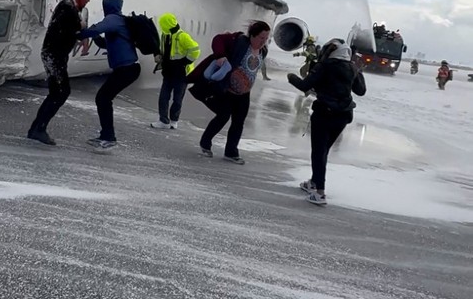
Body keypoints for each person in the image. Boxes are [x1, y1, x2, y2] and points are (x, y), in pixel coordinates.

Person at [287, 38, 366, 206]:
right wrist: (358, 70)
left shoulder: (324, 66)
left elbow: (304, 85)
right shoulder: (352, 67)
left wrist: (291, 77)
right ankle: (314, 182)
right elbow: (361, 91)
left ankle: (320, 192)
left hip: (324, 113)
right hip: (343, 116)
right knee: (323, 151)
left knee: (318, 151)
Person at [188, 20, 271, 164]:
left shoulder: (263, 51)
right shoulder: (240, 42)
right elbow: (218, 39)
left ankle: (231, 152)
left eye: (266, 38)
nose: (264, 41)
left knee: (238, 122)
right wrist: (220, 55)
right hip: (228, 90)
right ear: (252, 35)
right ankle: (205, 142)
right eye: (261, 38)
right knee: (223, 116)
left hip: (244, 93)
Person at [26, 0, 91, 145]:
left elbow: (74, 28)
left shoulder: (70, 7)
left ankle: (37, 128)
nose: (88, 1)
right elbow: (75, 28)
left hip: (55, 55)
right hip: (53, 55)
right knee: (60, 92)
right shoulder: (68, 8)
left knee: (59, 92)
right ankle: (38, 129)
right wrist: (85, 33)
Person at [78, 0, 141, 150]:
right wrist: (97, 38)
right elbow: (109, 45)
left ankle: (108, 137)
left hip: (127, 69)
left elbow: (96, 29)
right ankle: (107, 134)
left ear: (108, 6)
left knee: (103, 98)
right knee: (104, 98)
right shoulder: (121, 21)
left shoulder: (113, 19)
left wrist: (79, 34)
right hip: (129, 69)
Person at [150, 13, 201, 130]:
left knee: (177, 100)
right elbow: (165, 51)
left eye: (162, 24)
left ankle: (174, 120)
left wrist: (184, 62)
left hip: (182, 75)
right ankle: (163, 120)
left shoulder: (182, 36)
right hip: (168, 73)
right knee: (163, 97)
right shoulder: (165, 35)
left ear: (167, 24)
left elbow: (195, 50)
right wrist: (159, 56)